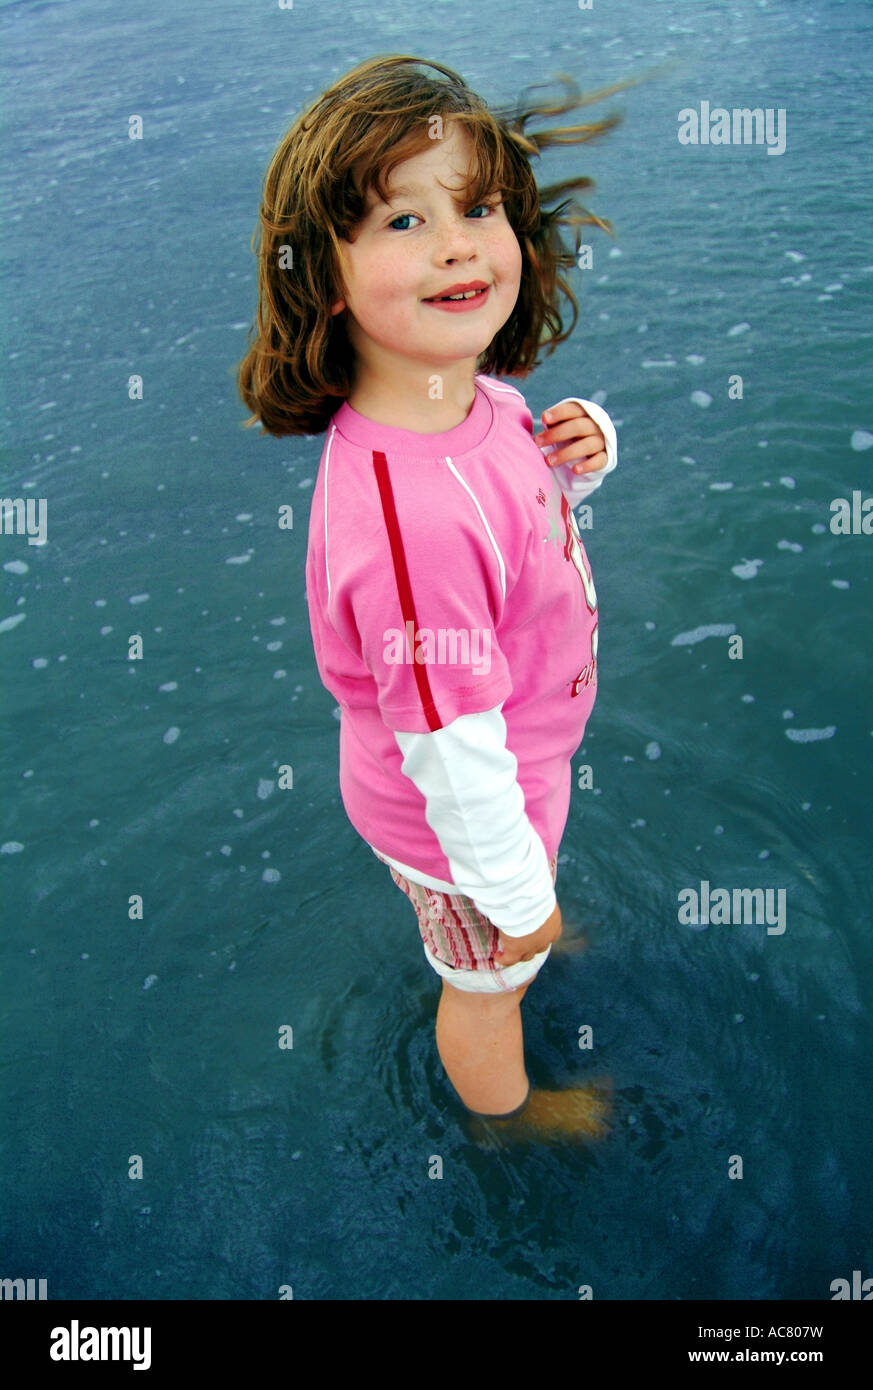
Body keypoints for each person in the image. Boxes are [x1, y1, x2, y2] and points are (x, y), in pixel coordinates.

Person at [238, 55, 624, 1136]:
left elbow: (518, 507)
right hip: (457, 813)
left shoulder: (474, 397)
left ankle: (525, 912)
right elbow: (450, 738)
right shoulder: (408, 526)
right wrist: (509, 897)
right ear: (321, 274)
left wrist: (579, 458)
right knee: (484, 985)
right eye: (402, 222)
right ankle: (508, 1115)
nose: (458, 241)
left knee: (516, 926)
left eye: (478, 206)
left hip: (525, 753)